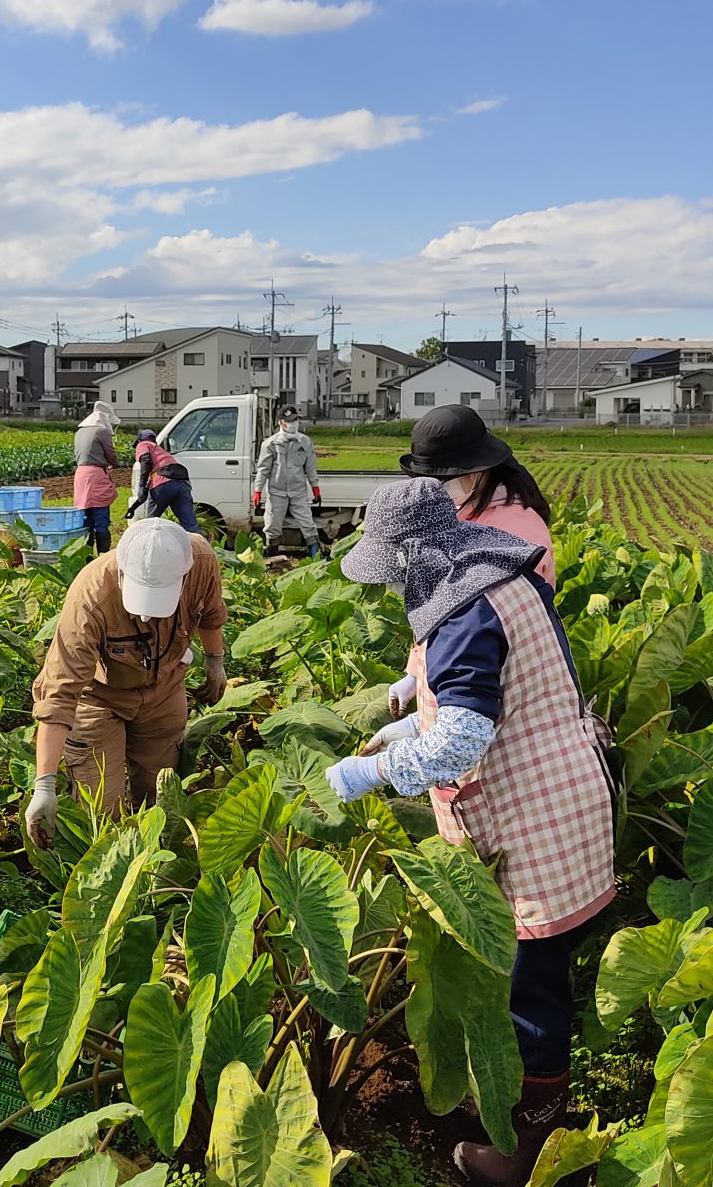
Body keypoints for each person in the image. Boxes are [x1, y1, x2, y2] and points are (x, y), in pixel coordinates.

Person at [322, 478, 616, 1186]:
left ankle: (528, 1156)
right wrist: (411, 715)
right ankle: (534, 1122)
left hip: (534, 817)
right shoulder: (504, 581)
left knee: (532, 994)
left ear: (418, 557)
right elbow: (504, 692)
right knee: (538, 982)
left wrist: (369, 772)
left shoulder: (463, 616)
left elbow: (457, 747)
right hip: (568, 788)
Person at [24, 518, 229, 841]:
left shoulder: (199, 561)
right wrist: (44, 784)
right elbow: (59, 695)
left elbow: (211, 614)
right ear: (121, 573)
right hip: (98, 699)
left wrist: (215, 661)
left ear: (183, 574)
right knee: (104, 814)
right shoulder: (89, 599)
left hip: (164, 688)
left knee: (158, 797)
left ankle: (154, 871)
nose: (147, 615)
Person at [387, 402, 559, 720]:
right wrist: (416, 671)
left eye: (443, 482)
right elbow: (441, 611)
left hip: (497, 697)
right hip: (459, 686)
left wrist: (436, 719)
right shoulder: (462, 513)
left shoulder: (514, 531)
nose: (435, 491)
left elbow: (479, 630)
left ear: (478, 472)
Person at [253, 405, 321, 557]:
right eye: (289, 421)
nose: (293, 424)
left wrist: (315, 488)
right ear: (281, 423)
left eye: (295, 420)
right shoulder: (270, 444)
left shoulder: (305, 442)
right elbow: (263, 469)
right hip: (277, 492)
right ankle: (272, 557)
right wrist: (257, 490)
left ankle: (317, 556)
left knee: (307, 524)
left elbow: (310, 468)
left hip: (298, 492)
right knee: (272, 525)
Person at [125, 428, 201, 532]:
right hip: (183, 484)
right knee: (191, 525)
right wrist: (133, 507)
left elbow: (146, 460)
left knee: (151, 525)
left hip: (162, 484)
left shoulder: (143, 444)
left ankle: (149, 547)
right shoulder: (161, 451)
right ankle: (199, 546)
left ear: (139, 440)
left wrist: (142, 485)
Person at [73, 402, 121, 553]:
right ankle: (102, 555)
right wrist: (116, 464)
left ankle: (86, 556)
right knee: (101, 518)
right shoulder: (101, 431)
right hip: (96, 476)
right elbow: (110, 453)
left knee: (85, 518)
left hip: (81, 475)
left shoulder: (79, 431)